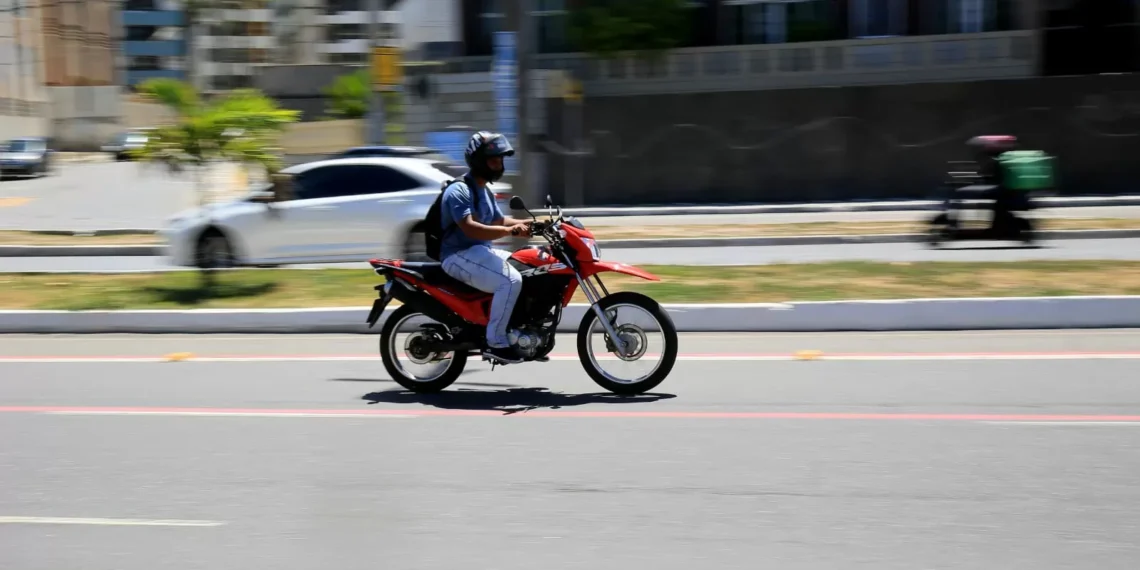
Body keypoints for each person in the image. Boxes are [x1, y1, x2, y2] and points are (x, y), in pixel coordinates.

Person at [439, 131, 532, 364]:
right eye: (494, 160)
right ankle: (496, 342)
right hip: (458, 255)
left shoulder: (484, 190)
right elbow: (471, 228)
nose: (499, 165)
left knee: (527, 266)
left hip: (479, 252)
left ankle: (517, 329)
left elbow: (499, 222)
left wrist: (534, 223)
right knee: (509, 281)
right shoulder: (458, 190)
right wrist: (510, 231)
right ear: (479, 161)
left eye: (501, 160)